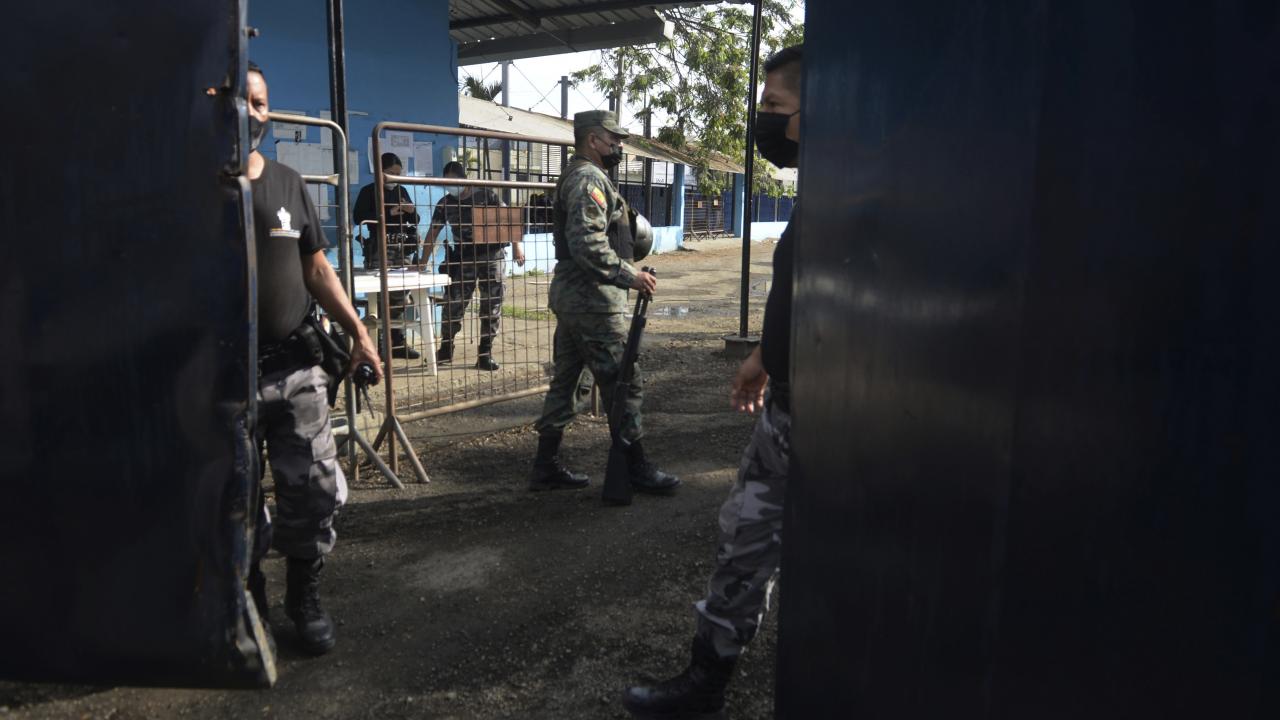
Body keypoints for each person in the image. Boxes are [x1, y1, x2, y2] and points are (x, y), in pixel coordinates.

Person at [622, 44, 803, 717]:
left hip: (834, 418)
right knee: (743, 538)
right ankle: (707, 679)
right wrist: (765, 355)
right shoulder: (823, 190)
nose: (764, 119)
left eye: (774, 105)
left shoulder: (863, 190)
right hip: (786, 408)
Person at [244, 62, 383, 656]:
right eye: (241, 100)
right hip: (221, 380)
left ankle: (303, 598)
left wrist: (360, 333)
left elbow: (318, 269)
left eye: (260, 102)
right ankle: (249, 604)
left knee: (315, 489)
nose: (253, 112)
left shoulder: (286, 182)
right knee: (231, 501)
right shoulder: (187, 188)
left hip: (295, 369)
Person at [528, 110, 679, 497]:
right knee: (623, 382)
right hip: (592, 301)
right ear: (593, 140)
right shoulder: (587, 179)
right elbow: (587, 244)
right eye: (613, 140)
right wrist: (631, 276)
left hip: (580, 300)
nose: (618, 147)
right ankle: (636, 466)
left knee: (569, 382)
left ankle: (545, 466)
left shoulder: (585, 175)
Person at [422, 161, 524, 371]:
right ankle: (446, 348)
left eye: (454, 181)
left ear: (464, 179)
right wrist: (422, 261)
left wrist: (517, 247)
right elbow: (433, 232)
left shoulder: (486, 195)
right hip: (464, 258)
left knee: (491, 306)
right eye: (446, 182)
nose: (451, 186)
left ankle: (485, 354)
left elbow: (509, 219)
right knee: (453, 304)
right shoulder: (445, 204)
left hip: (492, 256)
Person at [353, 152, 421, 359]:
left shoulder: (402, 190)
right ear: (380, 172)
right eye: (391, 173)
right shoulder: (369, 191)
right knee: (380, 295)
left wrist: (410, 210)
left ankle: (397, 343)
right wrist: (387, 213)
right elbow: (358, 217)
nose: (395, 178)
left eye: (398, 174)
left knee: (401, 294)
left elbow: (415, 219)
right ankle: (379, 344)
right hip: (379, 247)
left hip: (402, 246)